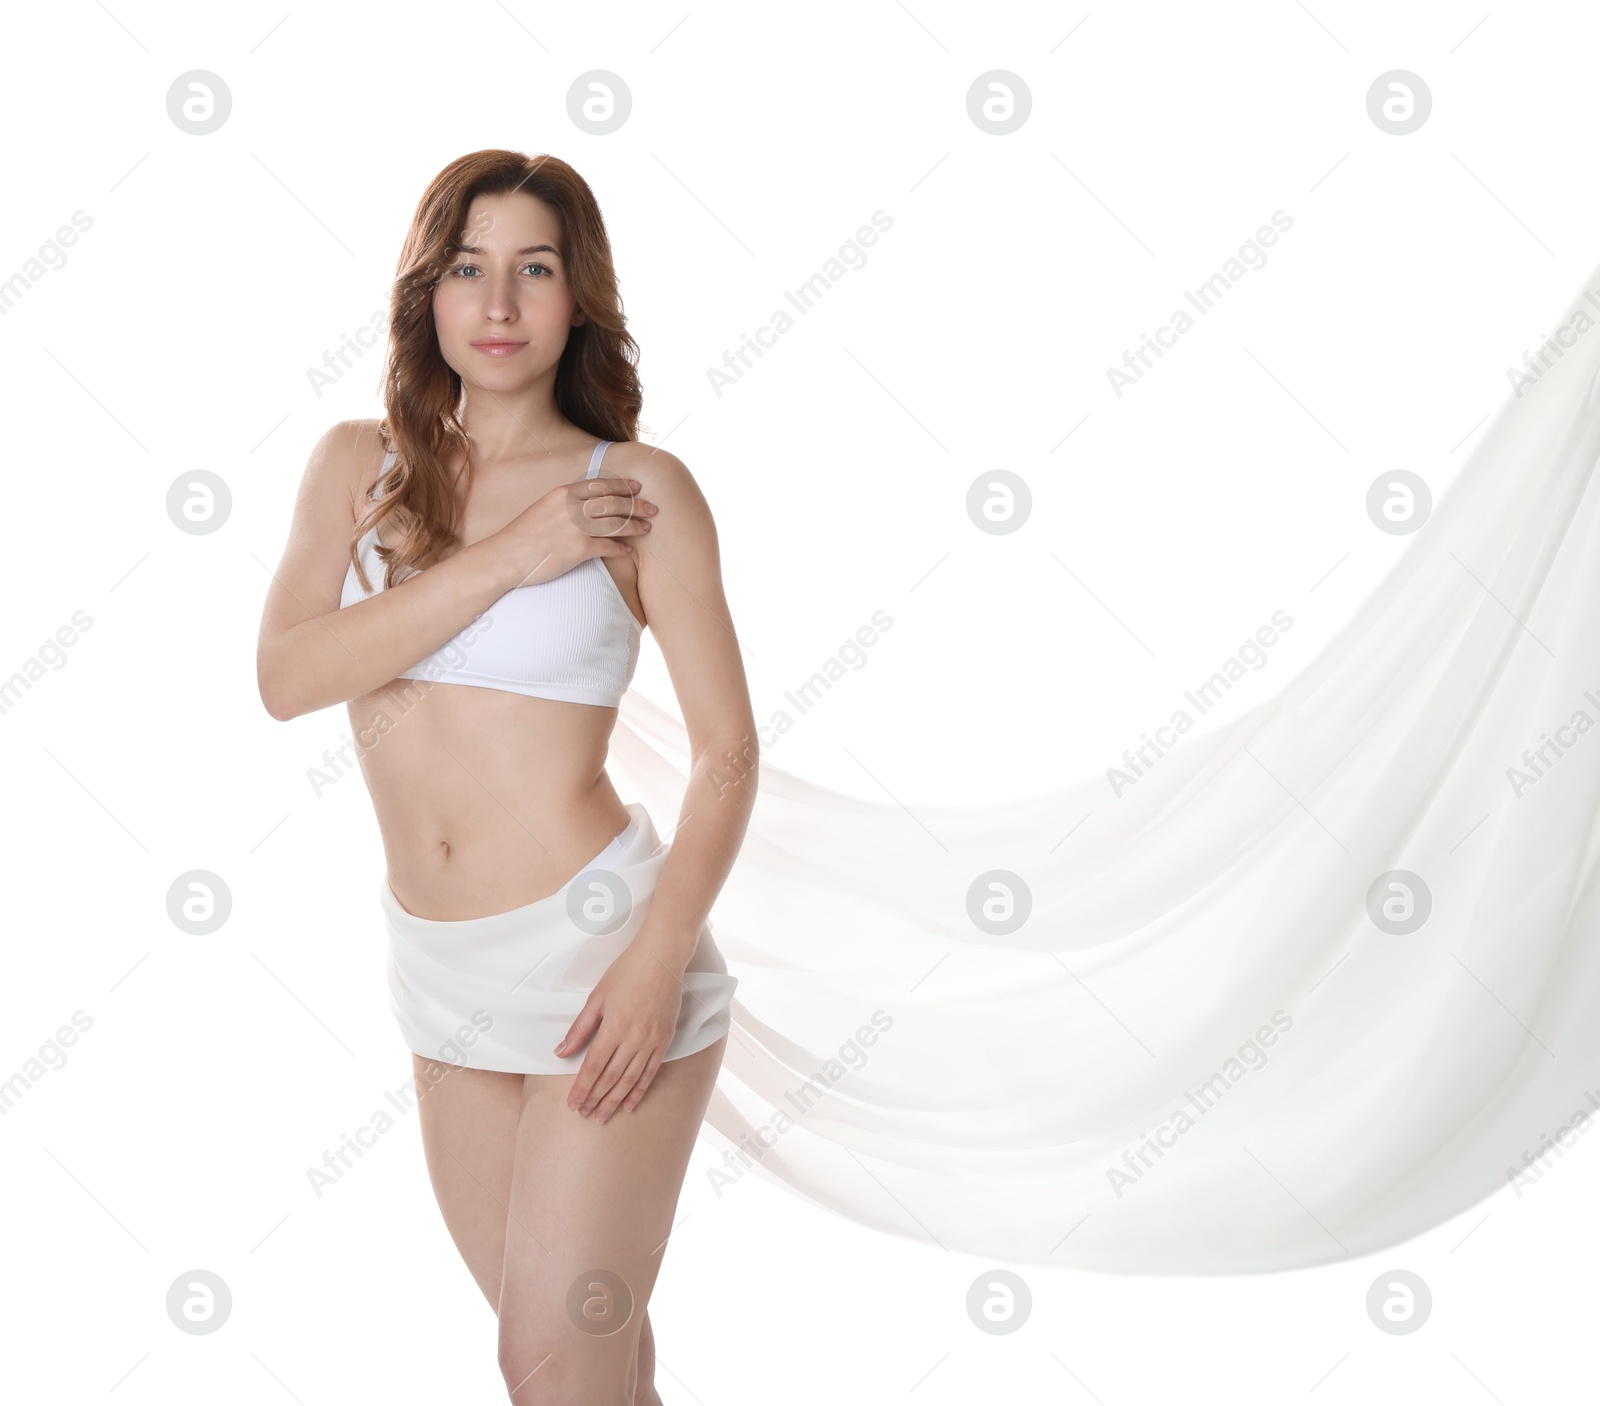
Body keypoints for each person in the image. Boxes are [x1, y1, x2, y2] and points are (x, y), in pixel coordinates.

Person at [255, 149, 755, 1403]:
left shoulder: (634, 491)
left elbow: (728, 755)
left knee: (548, 1364)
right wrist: (508, 557)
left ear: (578, 297)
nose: (497, 302)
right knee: (590, 1367)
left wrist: (655, 961)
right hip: (438, 973)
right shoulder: (352, 467)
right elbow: (288, 676)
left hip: (601, 961)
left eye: (534, 269)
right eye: (468, 269)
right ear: (426, 294)